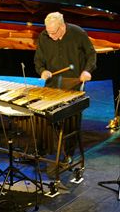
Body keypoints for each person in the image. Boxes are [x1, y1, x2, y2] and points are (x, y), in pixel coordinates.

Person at [34, 11, 96, 164]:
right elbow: (38, 60)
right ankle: (41, 150)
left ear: (62, 26)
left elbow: (91, 54)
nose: (51, 36)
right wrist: (43, 71)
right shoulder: (44, 36)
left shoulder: (78, 33)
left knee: (70, 119)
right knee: (43, 115)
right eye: (49, 32)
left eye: (54, 32)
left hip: (73, 83)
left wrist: (87, 70)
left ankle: (68, 152)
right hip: (53, 83)